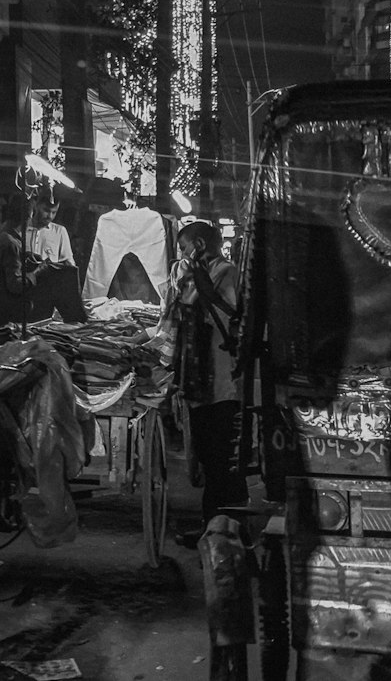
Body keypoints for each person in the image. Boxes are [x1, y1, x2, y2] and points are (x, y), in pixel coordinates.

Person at [171, 220, 249, 547]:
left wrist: (196, 279)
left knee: (219, 463)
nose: (183, 256)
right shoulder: (196, 275)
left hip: (221, 385)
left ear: (200, 245)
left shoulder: (226, 272)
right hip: (202, 382)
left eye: (186, 249)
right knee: (207, 457)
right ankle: (212, 529)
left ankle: (220, 533)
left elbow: (229, 310)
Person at [0, 194, 40, 329]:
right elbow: (15, 285)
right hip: (2, 316)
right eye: (31, 216)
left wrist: (25, 255)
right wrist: (36, 273)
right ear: (27, 216)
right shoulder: (9, 242)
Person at [29, 187, 76, 265]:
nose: (50, 216)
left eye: (54, 212)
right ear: (36, 206)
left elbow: (69, 263)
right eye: (46, 210)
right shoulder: (23, 229)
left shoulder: (60, 232)